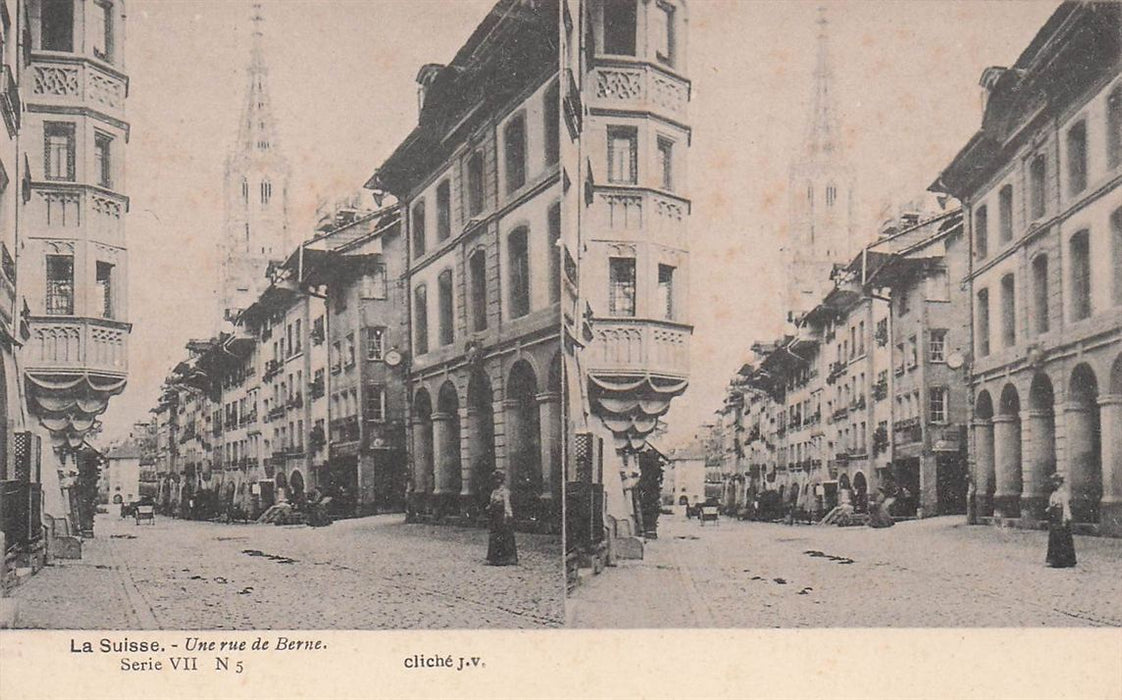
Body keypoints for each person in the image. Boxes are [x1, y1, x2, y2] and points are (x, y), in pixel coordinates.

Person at [486, 471, 518, 566]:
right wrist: (490, 506)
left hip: (502, 517)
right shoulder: (494, 492)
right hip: (495, 517)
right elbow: (492, 503)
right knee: (495, 536)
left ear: (500, 480)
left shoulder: (505, 492)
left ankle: (507, 558)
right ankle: (495, 558)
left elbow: (507, 505)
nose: (495, 482)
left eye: (496, 479)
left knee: (505, 537)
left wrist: (508, 517)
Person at [1045, 473, 1076, 568]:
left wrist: (1065, 520)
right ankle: (1054, 560)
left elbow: (1065, 507)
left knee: (1062, 539)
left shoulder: (1063, 494)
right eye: (1054, 481)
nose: (1055, 483)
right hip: (1054, 518)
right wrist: (1049, 509)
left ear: (1061, 483)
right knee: (1054, 538)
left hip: (1060, 517)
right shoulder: (1053, 494)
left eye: (1057, 481)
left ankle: (1064, 561)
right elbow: (1052, 505)